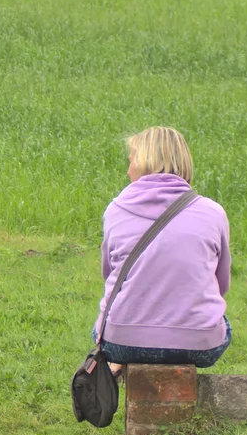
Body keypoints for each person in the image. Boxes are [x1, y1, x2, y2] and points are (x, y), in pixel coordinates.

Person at [94, 126, 231, 370]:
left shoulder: (115, 210)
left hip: (121, 340)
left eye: (131, 160)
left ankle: (119, 365)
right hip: (199, 344)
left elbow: (110, 274)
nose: (128, 170)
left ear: (144, 162)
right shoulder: (213, 213)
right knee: (221, 321)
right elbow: (221, 284)